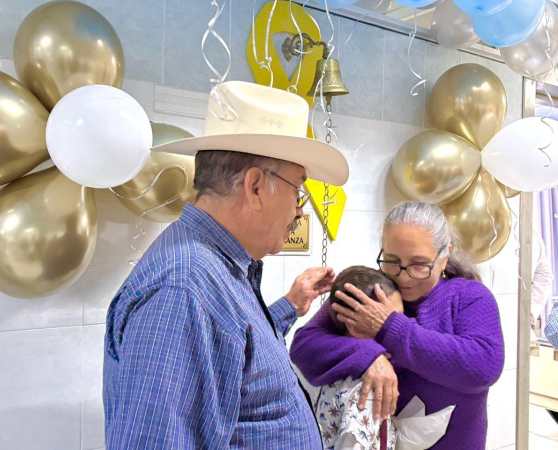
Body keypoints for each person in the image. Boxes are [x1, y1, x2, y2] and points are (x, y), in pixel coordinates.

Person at [102, 81, 349, 449]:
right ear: (255, 187)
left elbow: (233, 351)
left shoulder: (213, 269)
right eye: (297, 191)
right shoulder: (185, 288)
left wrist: (289, 306)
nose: (299, 211)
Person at [290, 202, 505, 450]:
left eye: (419, 264)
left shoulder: (469, 296)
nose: (403, 277)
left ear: (444, 255)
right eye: (392, 261)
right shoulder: (371, 290)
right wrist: (369, 357)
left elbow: (483, 366)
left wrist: (390, 328)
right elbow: (304, 346)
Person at [316, 266, 403, 450]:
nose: (400, 330)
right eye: (388, 322)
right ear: (355, 327)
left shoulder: (334, 368)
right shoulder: (367, 389)